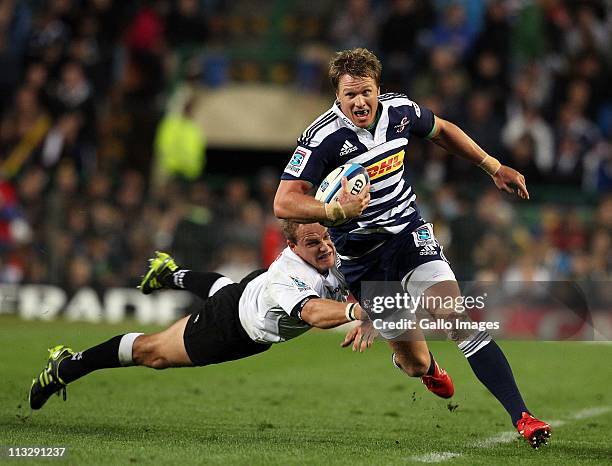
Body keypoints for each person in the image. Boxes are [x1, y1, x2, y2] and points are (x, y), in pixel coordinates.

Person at [273, 48, 550, 448]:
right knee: (414, 360)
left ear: (378, 89)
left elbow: (442, 130)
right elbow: (284, 202)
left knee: (457, 319)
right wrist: (333, 210)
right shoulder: (322, 138)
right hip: (363, 259)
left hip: (408, 234)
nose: (359, 102)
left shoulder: (400, 111)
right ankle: (426, 367)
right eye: (349, 95)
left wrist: (492, 166)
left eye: (365, 92)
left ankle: (523, 416)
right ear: (337, 96)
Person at [28, 221, 382, 411]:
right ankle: (67, 366)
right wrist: (357, 310)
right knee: (152, 354)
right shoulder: (288, 276)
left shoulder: (333, 253)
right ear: (292, 248)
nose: (324, 247)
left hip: (248, 296)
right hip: (230, 327)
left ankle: (169, 275)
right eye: (312, 243)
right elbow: (313, 313)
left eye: (325, 238)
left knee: (226, 288)